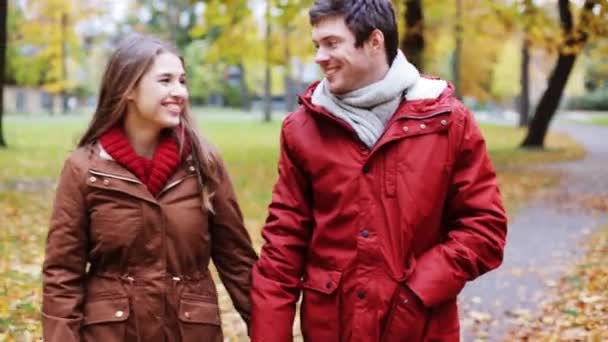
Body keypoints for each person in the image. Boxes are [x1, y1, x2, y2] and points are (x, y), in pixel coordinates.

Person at [250, 0, 508, 341]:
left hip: (421, 329)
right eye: (317, 45)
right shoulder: (301, 129)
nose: (319, 57)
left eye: (331, 43)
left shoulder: (448, 121)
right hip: (332, 330)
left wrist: (418, 290)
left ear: (374, 41)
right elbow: (283, 244)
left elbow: (484, 228)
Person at [41, 34, 257, 342]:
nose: (179, 92)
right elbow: (62, 274)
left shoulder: (204, 163)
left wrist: (269, 332)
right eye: (165, 80)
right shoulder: (84, 169)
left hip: (190, 332)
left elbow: (238, 261)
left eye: (182, 81)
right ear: (128, 88)